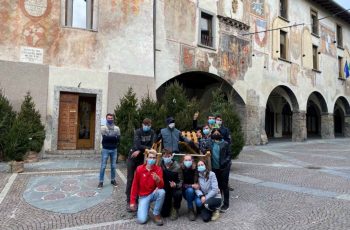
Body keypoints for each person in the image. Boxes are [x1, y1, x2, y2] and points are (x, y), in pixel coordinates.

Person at [125, 118, 156, 211]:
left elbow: (152, 146)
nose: (147, 126)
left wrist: (141, 149)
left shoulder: (152, 132)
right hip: (132, 157)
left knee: (139, 179)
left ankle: (138, 200)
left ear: (150, 125)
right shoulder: (138, 132)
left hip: (141, 157)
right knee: (130, 179)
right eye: (145, 124)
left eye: (148, 125)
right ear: (142, 124)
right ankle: (129, 201)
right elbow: (137, 144)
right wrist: (143, 148)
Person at [130, 150, 165, 226]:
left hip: (153, 193)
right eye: (150, 157)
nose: (151, 159)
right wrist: (132, 202)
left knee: (162, 192)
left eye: (153, 158)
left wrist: (158, 180)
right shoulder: (139, 169)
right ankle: (146, 206)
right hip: (143, 196)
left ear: (156, 159)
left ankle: (156, 214)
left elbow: (161, 186)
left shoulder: (158, 169)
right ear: (146, 158)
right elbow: (134, 185)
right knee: (142, 220)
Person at [211, 128, 231, 212]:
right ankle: (218, 202)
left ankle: (226, 204)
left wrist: (225, 163)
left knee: (224, 186)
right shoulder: (210, 143)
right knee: (217, 186)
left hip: (224, 168)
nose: (216, 134)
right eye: (214, 133)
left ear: (220, 134)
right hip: (214, 168)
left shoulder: (225, 143)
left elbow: (229, 155)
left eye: (217, 133)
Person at [98, 113, 120, 189]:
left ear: (113, 118)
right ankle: (101, 181)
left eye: (111, 118)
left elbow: (118, 139)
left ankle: (113, 180)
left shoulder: (117, 128)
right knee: (103, 166)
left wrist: (110, 137)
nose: (110, 119)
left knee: (113, 166)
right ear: (106, 118)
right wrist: (114, 137)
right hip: (105, 149)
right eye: (108, 118)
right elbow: (105, 138)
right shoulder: (103, 128)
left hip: (114, 149)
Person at [160, 148, 183, 220]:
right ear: (162, 157)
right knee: (164, 214)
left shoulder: (177, 166)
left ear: (171, 156)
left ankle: (175, 208)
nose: (166, 158)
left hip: (174, 188)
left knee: (178, 194)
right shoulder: (161, 164)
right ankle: (166, 204)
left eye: (168, 156)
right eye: (165, 156)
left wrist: (176, 185)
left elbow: (181, 181)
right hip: (165, 187)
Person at [180, 154, 198, 221]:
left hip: (196, 190)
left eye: (189, 160)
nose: (188, 161)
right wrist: (191, 186)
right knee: (190, 190)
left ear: (192, 160)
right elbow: (180, 183)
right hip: (185, 191)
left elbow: (199, 180)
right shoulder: (180, 168)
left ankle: (199, 207)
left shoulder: (196, 168)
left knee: (199, 203)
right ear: (183, 161)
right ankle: (190, 209)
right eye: (186, 160)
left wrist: (197, 185)